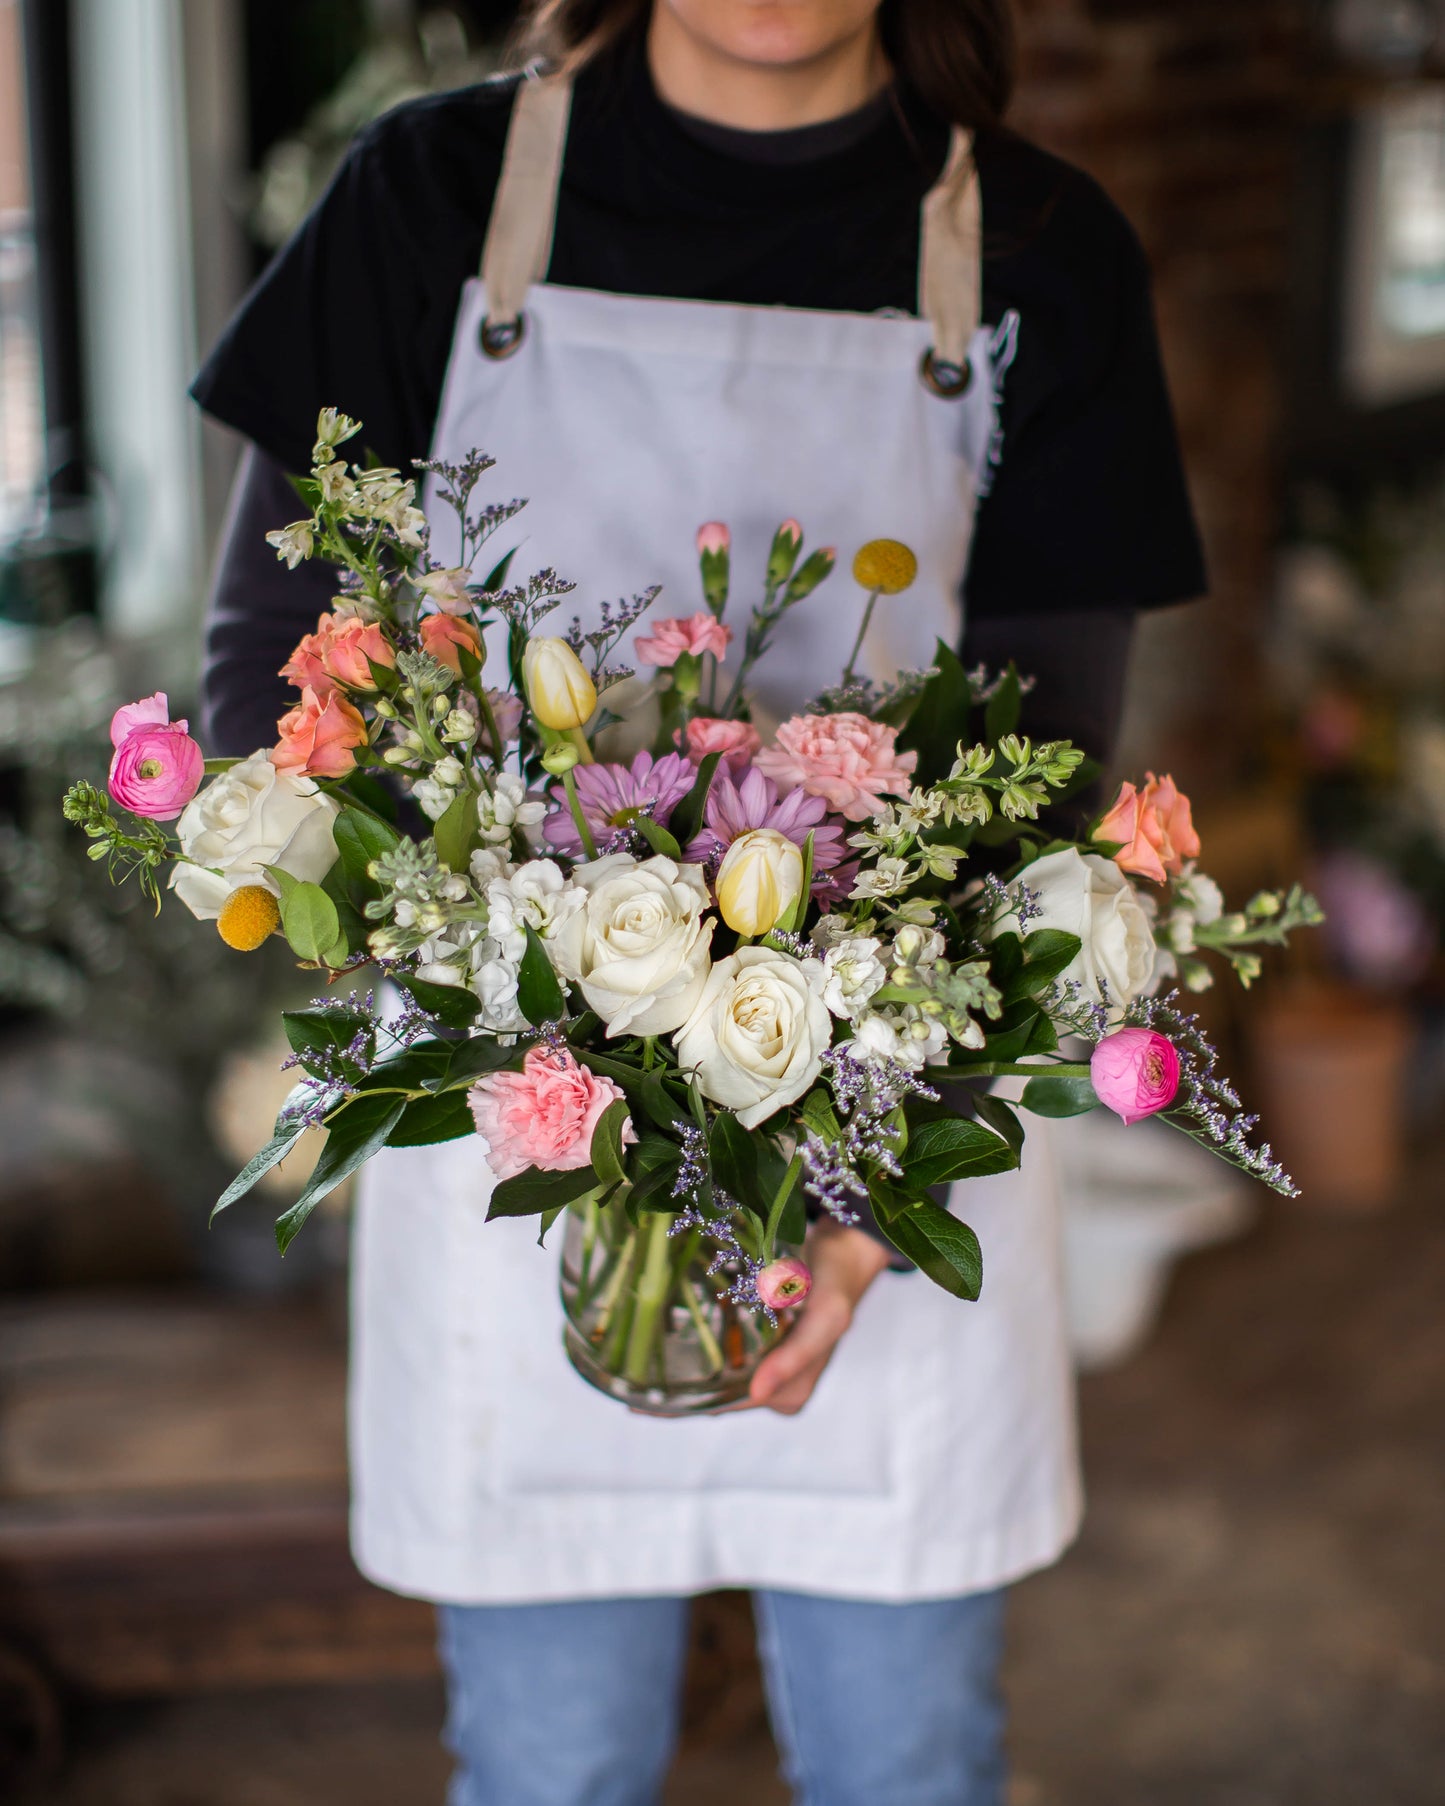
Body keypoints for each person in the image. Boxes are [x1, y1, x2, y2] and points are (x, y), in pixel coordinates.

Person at [193, 2, 1205, 1800]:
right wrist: (446, 933)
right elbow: (281, 668)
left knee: (906, 1759)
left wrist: (874, 1198)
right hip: (519, 1142)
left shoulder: (1042, 253)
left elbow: (1041, 777)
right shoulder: (432, 200)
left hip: (896, 1144)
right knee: (550, 1765)